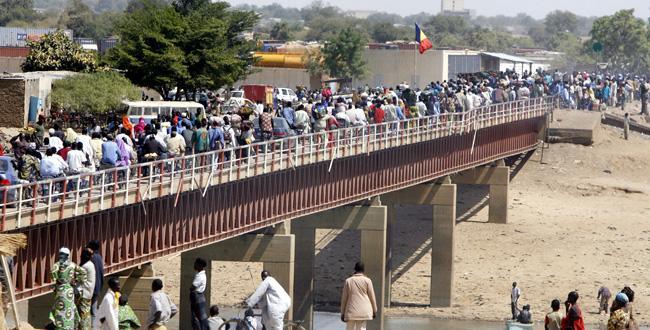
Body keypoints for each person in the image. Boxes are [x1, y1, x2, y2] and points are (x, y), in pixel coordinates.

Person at [49, 247, 86, 330]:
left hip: (61, 290)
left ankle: (61, 327)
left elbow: (52, 272)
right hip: (69, 290)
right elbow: (83, 272)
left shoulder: (58, 264)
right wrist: (76, 280)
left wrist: (56, 280)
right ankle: (69, 327)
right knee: (69, 309)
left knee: (60, 310)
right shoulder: (72, 264)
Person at [340, 262, 377, 330]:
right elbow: (372, 297)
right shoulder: (368, 281)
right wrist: (374, 310)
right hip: (364, 310)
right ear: (363, 270)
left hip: (351, 311)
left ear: (355, 269)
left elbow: (344, 299)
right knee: (362, 328)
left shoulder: (348, 281)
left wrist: (342, 313)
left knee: (349, 328)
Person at [79, 249, 96, 330]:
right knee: (86, 314)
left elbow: (78, 278)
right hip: (88, 293)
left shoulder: (85, 266)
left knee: (83, 315)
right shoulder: (90, 264)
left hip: (84, 294)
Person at [190, 258, 208, 330]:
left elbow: (192, 287)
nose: (194, 265)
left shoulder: (200, 276)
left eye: (196, 264)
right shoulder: (200, 274)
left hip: (197, 297)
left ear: (200, 265)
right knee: (201, 317)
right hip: (199, 296)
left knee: (196, 318)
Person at [87, 240, 105, 317]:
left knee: (88, 311)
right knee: (94, 310)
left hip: (90, 288)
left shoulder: (91, 257)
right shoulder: (99, 257)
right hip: (97, 286)